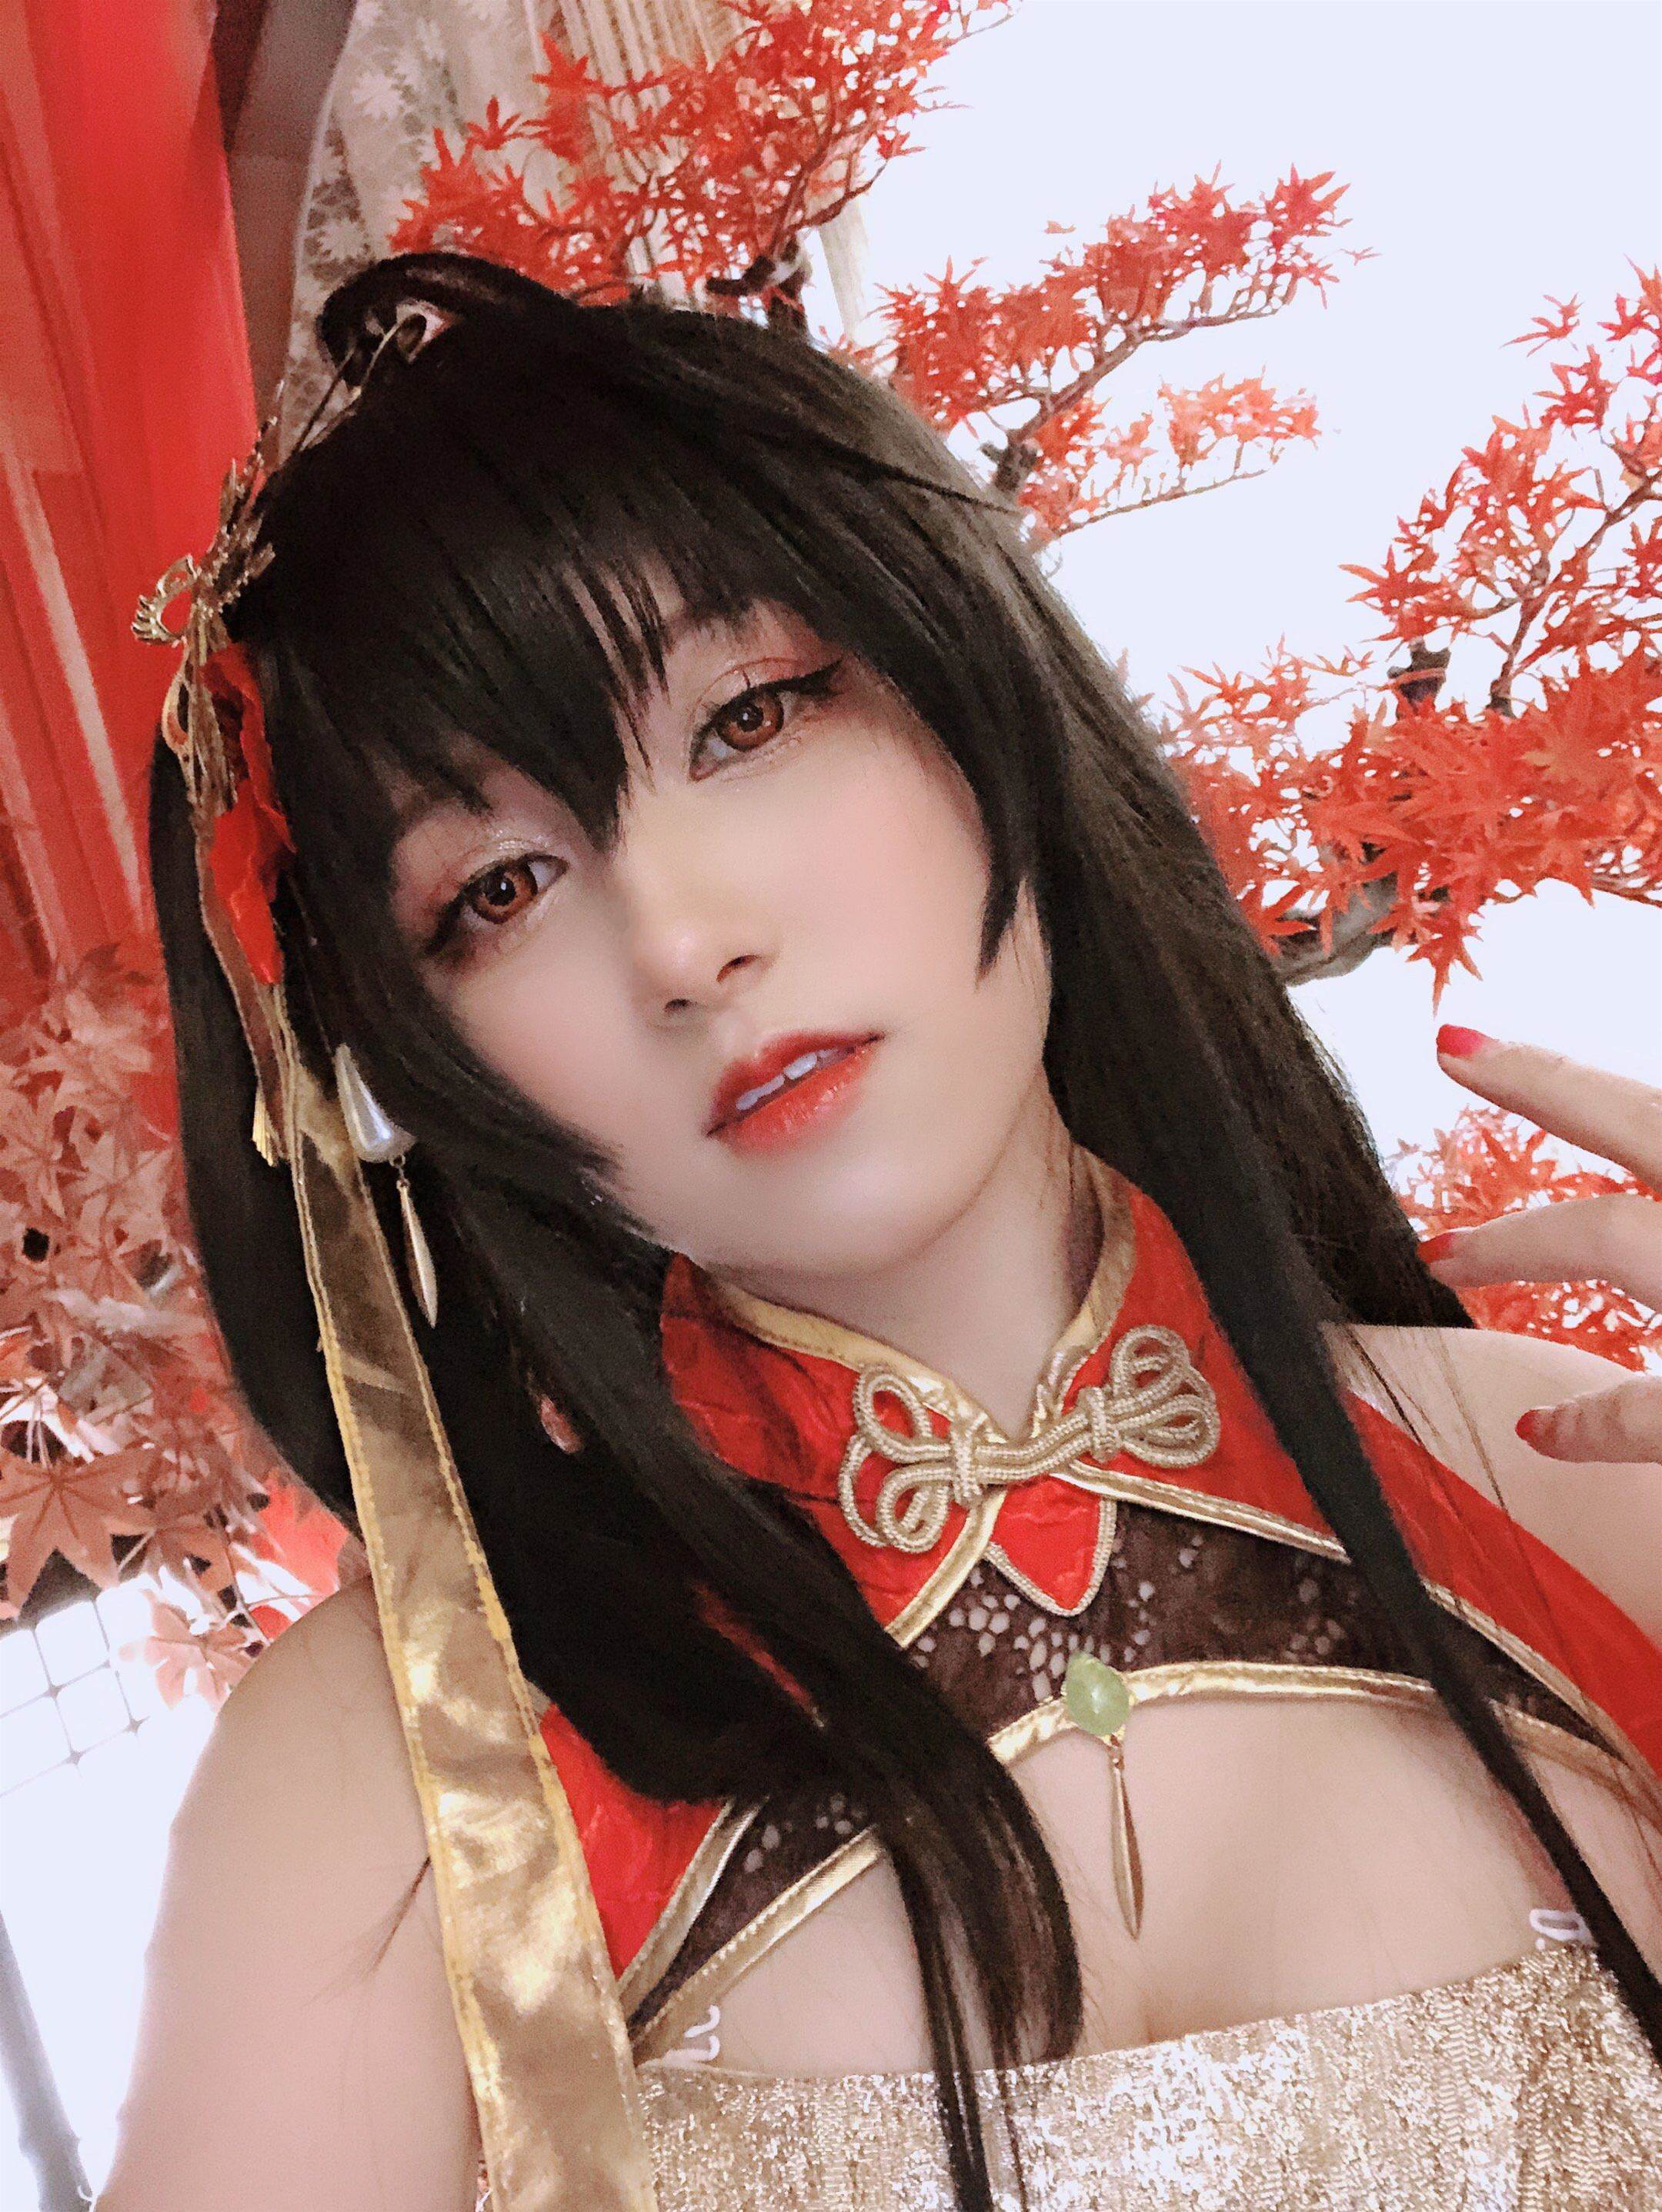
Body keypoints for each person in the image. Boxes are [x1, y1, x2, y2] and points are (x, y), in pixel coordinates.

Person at [100, 249, 1661, 2212]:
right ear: (413, 1059)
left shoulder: (1565, 1482)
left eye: (748, 718)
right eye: (498, 888)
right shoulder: (401, 1773)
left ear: (970, 665)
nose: (684, 941)